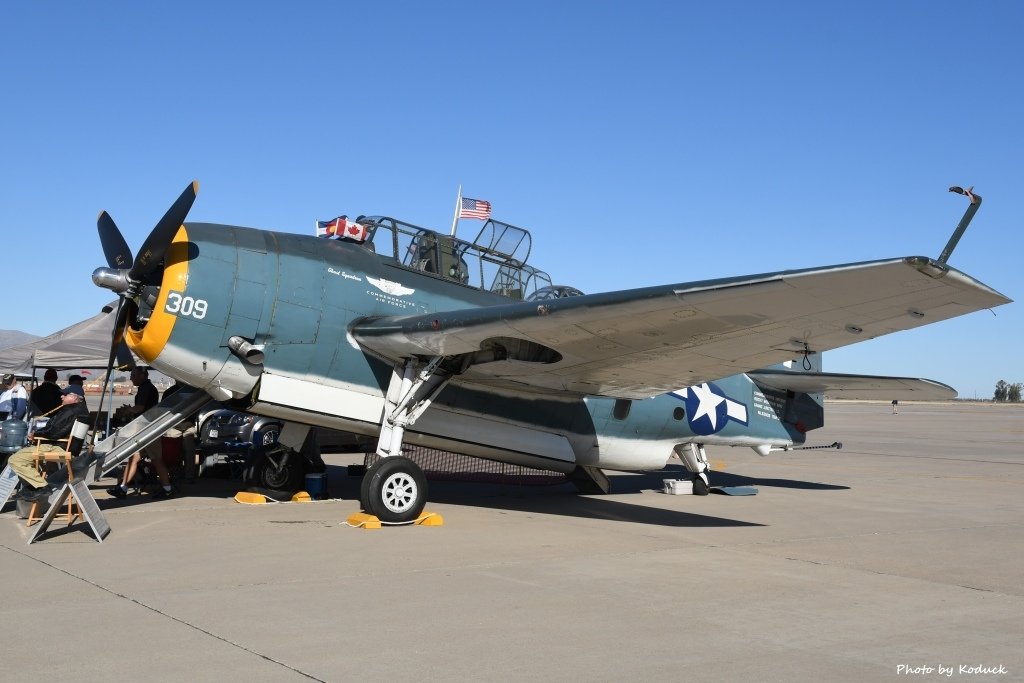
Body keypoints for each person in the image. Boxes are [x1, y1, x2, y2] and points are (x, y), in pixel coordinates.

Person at [8, 391, 89, 500]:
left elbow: (54, 432)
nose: (62, 396)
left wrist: (35, 435)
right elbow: (56, 430)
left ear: (75, 398)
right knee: (24, 459)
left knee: (15, 459)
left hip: (59, 447)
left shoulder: (70, 410)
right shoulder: (80, 410)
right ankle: (31, 487)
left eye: (66, 395)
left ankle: (40, 487)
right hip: (66, 447)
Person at [107, 367, 173, 499]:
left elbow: (140, 408)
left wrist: (128, 410)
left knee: (156, 460)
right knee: (134, 459)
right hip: (145, 429)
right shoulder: (146, 387)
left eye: (134, 375)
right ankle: (123, 488)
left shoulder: (146, 388)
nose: (131, 378)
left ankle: (167, 489)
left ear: (143, 375)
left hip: (148, 429)